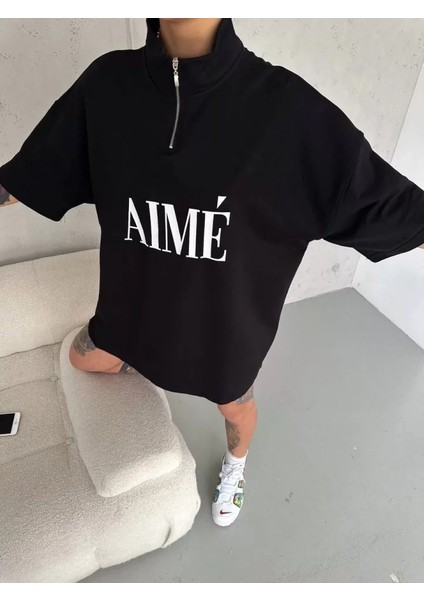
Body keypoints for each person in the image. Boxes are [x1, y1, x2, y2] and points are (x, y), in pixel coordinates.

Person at [1, 18, 424, 529]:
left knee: (235, 410)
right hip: (130, 313)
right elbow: (36, 170)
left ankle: (236, 466)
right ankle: (143, 361)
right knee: (80, 358)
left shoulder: (288, 111)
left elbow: (388, 206)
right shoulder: (107, 85)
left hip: (222, 337)